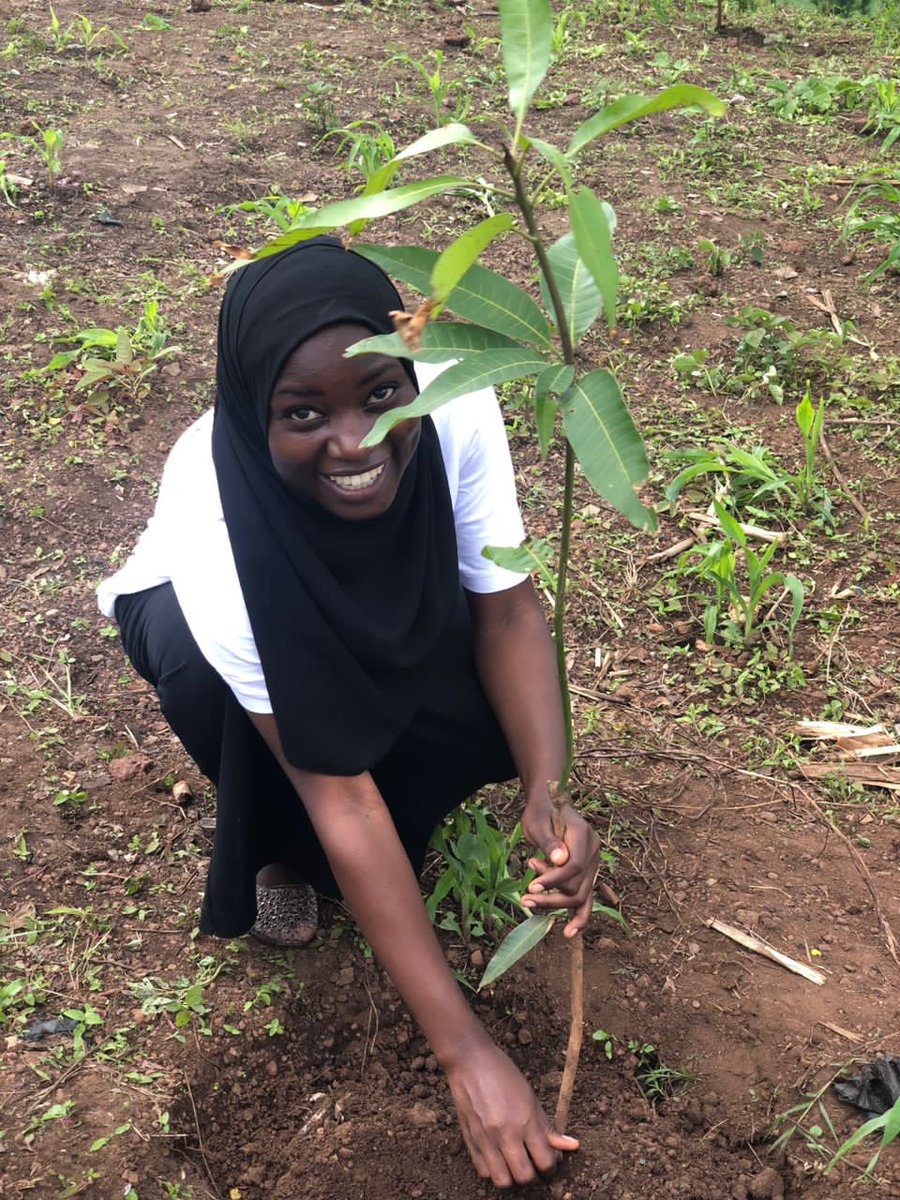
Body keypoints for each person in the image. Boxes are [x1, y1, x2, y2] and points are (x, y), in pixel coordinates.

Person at [98, 236, 600, 1188]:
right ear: (256, 413)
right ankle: (279, 858)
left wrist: (547, 791)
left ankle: (406, 827)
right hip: (219, 626)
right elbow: (338, 791)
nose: (358, 438)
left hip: (386, 602)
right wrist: (465, 1052)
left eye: (379, 395)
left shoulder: (453, 398)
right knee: (226, 697)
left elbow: (507, 607)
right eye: (303, 413)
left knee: (476, 680)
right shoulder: (213, 510)